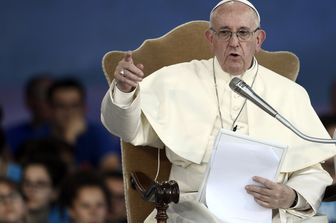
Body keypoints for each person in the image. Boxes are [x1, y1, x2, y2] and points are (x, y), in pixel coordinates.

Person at [100, 0, 336, 222]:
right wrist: (124, 91)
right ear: (210, 38)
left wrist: (291, 196)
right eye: (224, 32)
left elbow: (312, 171)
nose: (234, 42)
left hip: (268, 211)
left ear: (259, 39)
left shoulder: (289, 93)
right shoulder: (174, 80)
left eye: (243, 32)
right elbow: (126, 129)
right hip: (194, 207)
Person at [47, 77, 121, 169]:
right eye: (61, 106)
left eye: (74, 106)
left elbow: (111, 169)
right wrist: (69, 141)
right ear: (50, 109)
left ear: (84, 108)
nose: (68, 113)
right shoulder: (41, 137)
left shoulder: (97, 134)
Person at [5, 74, 53, 155]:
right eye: (46, 97)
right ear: (29, 101)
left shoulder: (75, 136)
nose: (52, 103)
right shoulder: (9, 137)